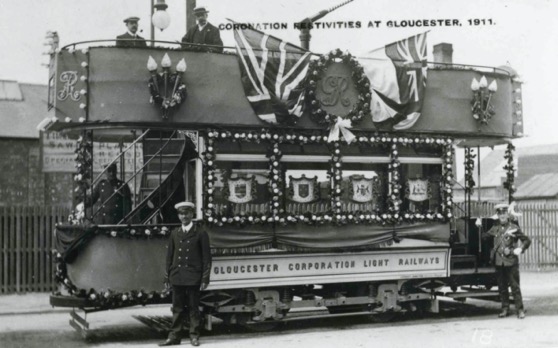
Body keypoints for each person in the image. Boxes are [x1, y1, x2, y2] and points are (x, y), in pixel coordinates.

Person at [159, 201, 211, 347]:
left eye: (187, 213)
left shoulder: (200, 233)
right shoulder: (175, 233)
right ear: (178, 216)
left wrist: (205, 278)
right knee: (177, 308)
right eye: (181, 214)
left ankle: (194, 336)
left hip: (193, 276)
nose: (184, 216)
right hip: (177, 276)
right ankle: (174, 336)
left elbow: (207, 258)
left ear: (192, 214)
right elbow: (169, 257)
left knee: (194, 308)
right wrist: (167, 276)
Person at [484, 203, 531, 319]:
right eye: (500, 214)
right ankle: (505, 309)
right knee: (502, 287)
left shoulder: (513, 227)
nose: (502, 216)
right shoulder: (495, 228)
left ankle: (520, 309)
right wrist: (479, 226)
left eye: (504, 213)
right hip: (499, 262)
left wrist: (520, 249)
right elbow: (484, 238)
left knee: (515, 287)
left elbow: (527, 240)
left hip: (511, 262)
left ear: (507, 214)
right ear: (498, 215)